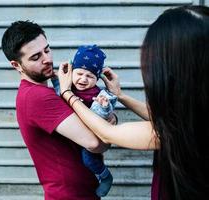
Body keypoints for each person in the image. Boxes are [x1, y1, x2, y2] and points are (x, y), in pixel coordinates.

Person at [57, 5, 209, 200]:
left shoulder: (178, 132)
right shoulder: (193, 117)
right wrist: (119, 95)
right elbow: (162, 118)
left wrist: (67, 93)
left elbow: (107, 132)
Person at [1, 20, 110, 200]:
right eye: (36, 57)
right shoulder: (37, 97)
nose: (47, 59)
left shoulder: (46, 91)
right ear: (16, 65)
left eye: (47, 50)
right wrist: (108, 133)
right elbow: (95, 143)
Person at [51, 44, 117, 197]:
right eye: (79, 73)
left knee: (89, 159)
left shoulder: (99, 94)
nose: (83, 79)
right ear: (72, 71)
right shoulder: (68, 87)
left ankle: (105, 176)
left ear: (97, 78)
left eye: (90, 76)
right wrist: (56, 80)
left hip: (90, 136)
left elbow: (105, 114)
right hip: (72, 134)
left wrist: (105, 107)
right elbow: (59, 92)